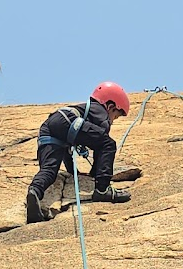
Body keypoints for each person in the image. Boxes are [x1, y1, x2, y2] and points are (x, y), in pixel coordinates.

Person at [27, 82, 132, 224]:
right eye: (115, 116)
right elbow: (101, 143)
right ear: (110, 106)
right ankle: (103, 190)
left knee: (49, 170)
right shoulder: (99, 110)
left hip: (49, 126)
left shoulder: (85, 109)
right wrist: (97, 175)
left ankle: (34, 191)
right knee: (108, 144)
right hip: (68, 122)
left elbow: (67, 151)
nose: (112, 121)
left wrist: (72, 171)